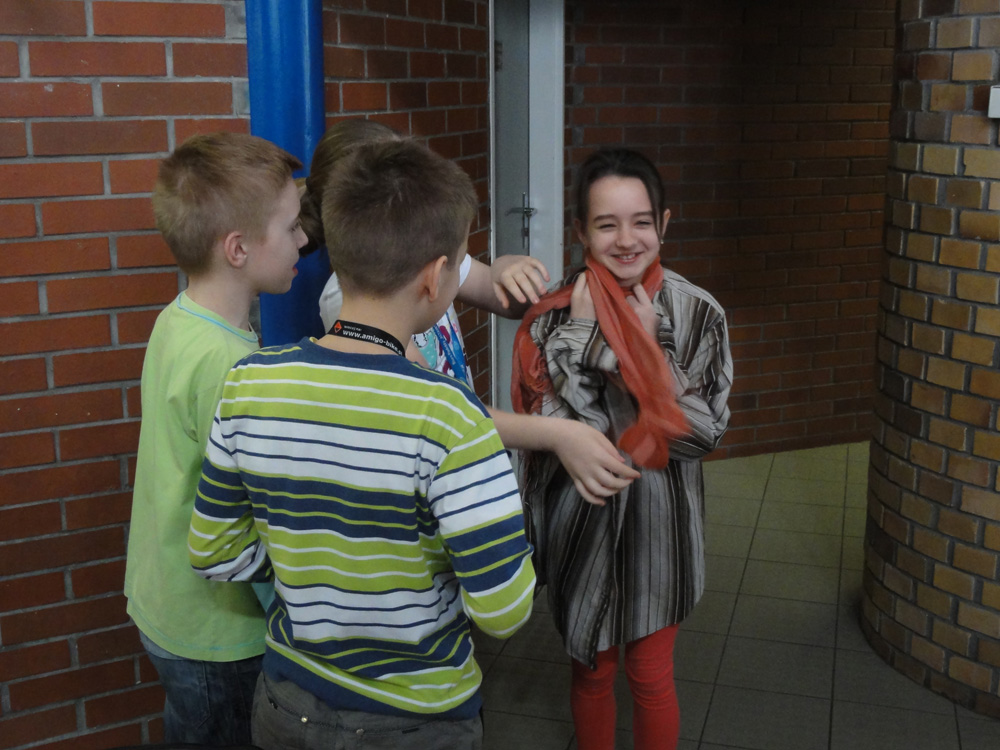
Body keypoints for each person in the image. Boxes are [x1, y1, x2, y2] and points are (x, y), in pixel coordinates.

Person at [187, 138, 537, 750]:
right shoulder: (452, 416)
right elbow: (504, 609)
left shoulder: (248, 382)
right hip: (415, 718)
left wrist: (318, 572)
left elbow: (213, 550)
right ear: (434, 278)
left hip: (286, 704)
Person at [511, 148, 733, 750]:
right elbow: (558, 430)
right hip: (581, 528)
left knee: (651, 675)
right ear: (581, 230)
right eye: (607, 224)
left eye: (641, 221)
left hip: (662, 533)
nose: (627, 240)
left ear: (664, 223)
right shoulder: (554, 315)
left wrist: (646, 355)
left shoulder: (697, 314)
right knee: (591, 673)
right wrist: (585, 339)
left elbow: (704, 433)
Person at [300, 118, 641, 506]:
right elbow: (433, 406)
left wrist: (505, 271)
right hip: (428, 483)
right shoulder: (345, 301)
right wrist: (556, 434)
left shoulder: (429, 257)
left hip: (458, 454)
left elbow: (507, 301)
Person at [124, 132, 308, 745]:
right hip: (218, 634)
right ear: (237, 248)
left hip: (167, 605)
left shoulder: (178, 319)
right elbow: (250, 511)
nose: (303, 240)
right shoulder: (228, 365)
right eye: (291, 227)